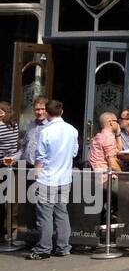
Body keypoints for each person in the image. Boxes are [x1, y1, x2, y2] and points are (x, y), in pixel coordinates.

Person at [27, 100, 78, 260]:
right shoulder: (72, 130)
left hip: (48, 177)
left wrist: (35, 174)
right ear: (61, 112)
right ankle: (63, 247)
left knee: (45, 215)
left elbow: (40, 157)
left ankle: (44, 248)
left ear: (47, 114)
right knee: (62, 212)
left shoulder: (46, 132)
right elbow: (75, 152)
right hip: (64, 177)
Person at [86, 111, 129, 236]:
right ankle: (128, 236)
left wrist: (118, 133)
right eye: (116, 121)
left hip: (98, 178)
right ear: (110, 122)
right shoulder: (108, 138)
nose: (118, 123)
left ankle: (119, 221)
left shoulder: (99, 136)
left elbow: (118, 150)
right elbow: (113, 163)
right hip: (106, 179)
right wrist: (124, 178)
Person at [19, 97, 49, 167]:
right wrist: (14, 158)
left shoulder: (51, 127)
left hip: (42, 167)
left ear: (47, 110)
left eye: (43, 109)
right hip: (26, 165)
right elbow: (24, 146)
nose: (40, 112)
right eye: (37, 109)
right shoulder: (31, 125)